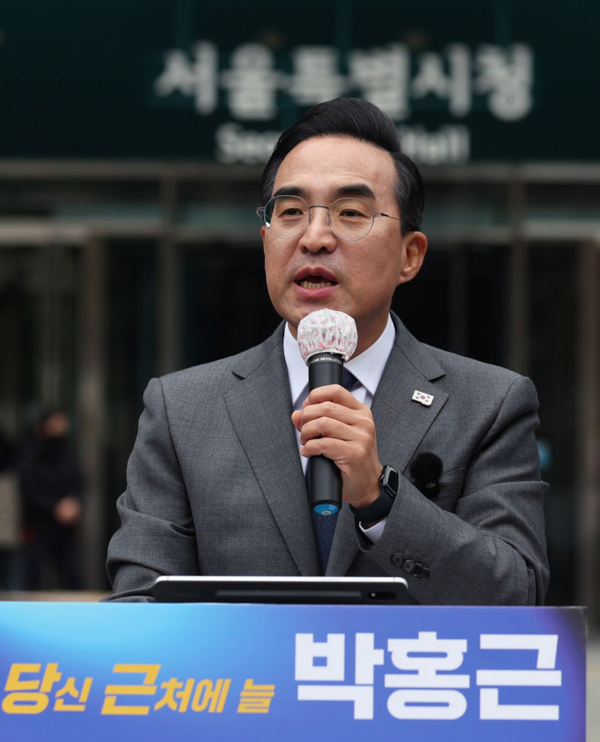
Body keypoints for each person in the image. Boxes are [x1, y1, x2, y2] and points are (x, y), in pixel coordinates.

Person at [106, 97, 548, 604]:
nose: (314, 238)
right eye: (291, 212)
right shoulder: (182, 410)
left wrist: (379, 499)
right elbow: (138, 607)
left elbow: (518, 595)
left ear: (410, 255)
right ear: (266, 240)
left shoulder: (490, 404)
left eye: (351, 213)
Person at [18, 410, 83, 590]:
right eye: (55, 425)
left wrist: (73, 503)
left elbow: (76, 481)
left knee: (72, 575)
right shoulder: (31, 452)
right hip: (39, 524)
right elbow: (29, 489)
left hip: (65, 527)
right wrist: (54, 507)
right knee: (34, 576)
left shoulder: (68, 452)